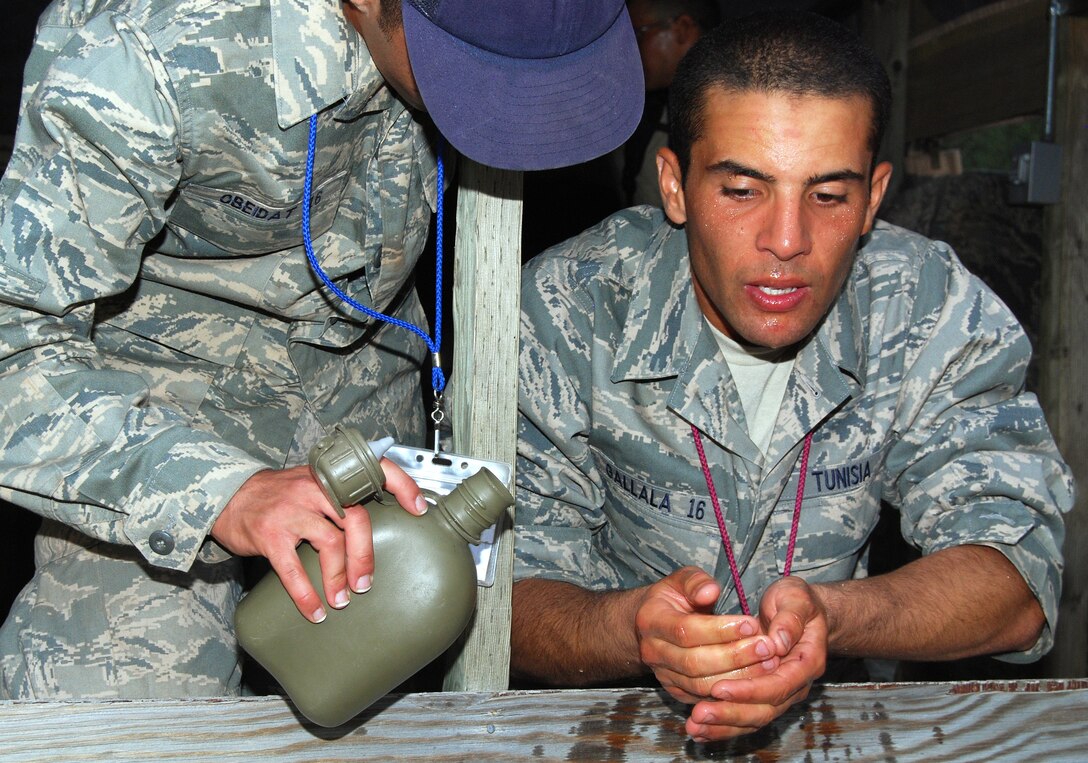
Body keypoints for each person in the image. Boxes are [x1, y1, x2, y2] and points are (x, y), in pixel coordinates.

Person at [0, 0, 643, 699]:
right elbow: (13, 355)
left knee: (389, 696)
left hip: (367, 383)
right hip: (157, 409)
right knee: (112, 716)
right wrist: (220, 492)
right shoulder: (148, 59)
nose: (523, 121)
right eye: (478, 78)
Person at [511, 11, 1073, 744]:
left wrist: (835, 616)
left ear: (874, 197)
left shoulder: (925, 304)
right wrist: (629, 630)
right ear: (674, 187)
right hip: (607, 725)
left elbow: (1017, 580)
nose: (786, 240)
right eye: (742, 191)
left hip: (836, 723)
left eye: (828, 196)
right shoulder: (570, 306)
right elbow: (502, 595)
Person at [622, 0, 719, 206]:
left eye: (638, 35)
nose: (627, 52)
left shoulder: (731, 115)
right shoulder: (646, 106)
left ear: (682, 29)